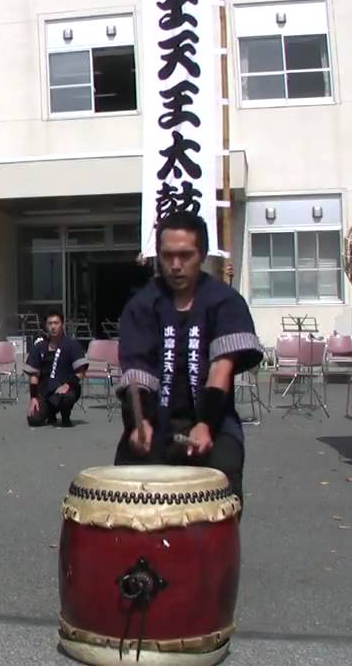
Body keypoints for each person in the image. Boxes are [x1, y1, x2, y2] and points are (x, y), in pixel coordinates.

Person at [115, 212, 262, 504]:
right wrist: (139, 423)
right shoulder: (142, 304)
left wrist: (205, 423)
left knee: (222, 481)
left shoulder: (225, 301)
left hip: (213, 422)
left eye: (185, 255)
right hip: (156, 420)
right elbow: (137, 373)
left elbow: (221, 368)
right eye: (167, 256)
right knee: (127, 489)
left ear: (202, 254)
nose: (175, 265)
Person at [24, 310, 88, 428]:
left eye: (56, 323)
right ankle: (50, 413)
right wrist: (33, 398)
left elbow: (81, 372)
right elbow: (34, 375)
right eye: (50, 323)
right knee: (34, 420)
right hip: (45, 392)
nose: (53, 327)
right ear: (46, 326)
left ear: (62, 324)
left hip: (66, 389)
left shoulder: (72, 345)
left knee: (67, 397)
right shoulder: (39, 347)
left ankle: (65, 417)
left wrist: (67, 385)